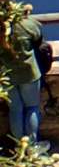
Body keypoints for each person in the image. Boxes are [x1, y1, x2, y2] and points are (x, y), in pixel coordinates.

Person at [3, 12, 46, 157]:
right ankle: (32, 146)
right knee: (31, 108)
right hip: (28, 73)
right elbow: (38, 34)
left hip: (6, 76)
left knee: (15, 110)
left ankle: (18, 147)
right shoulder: (26, 25)